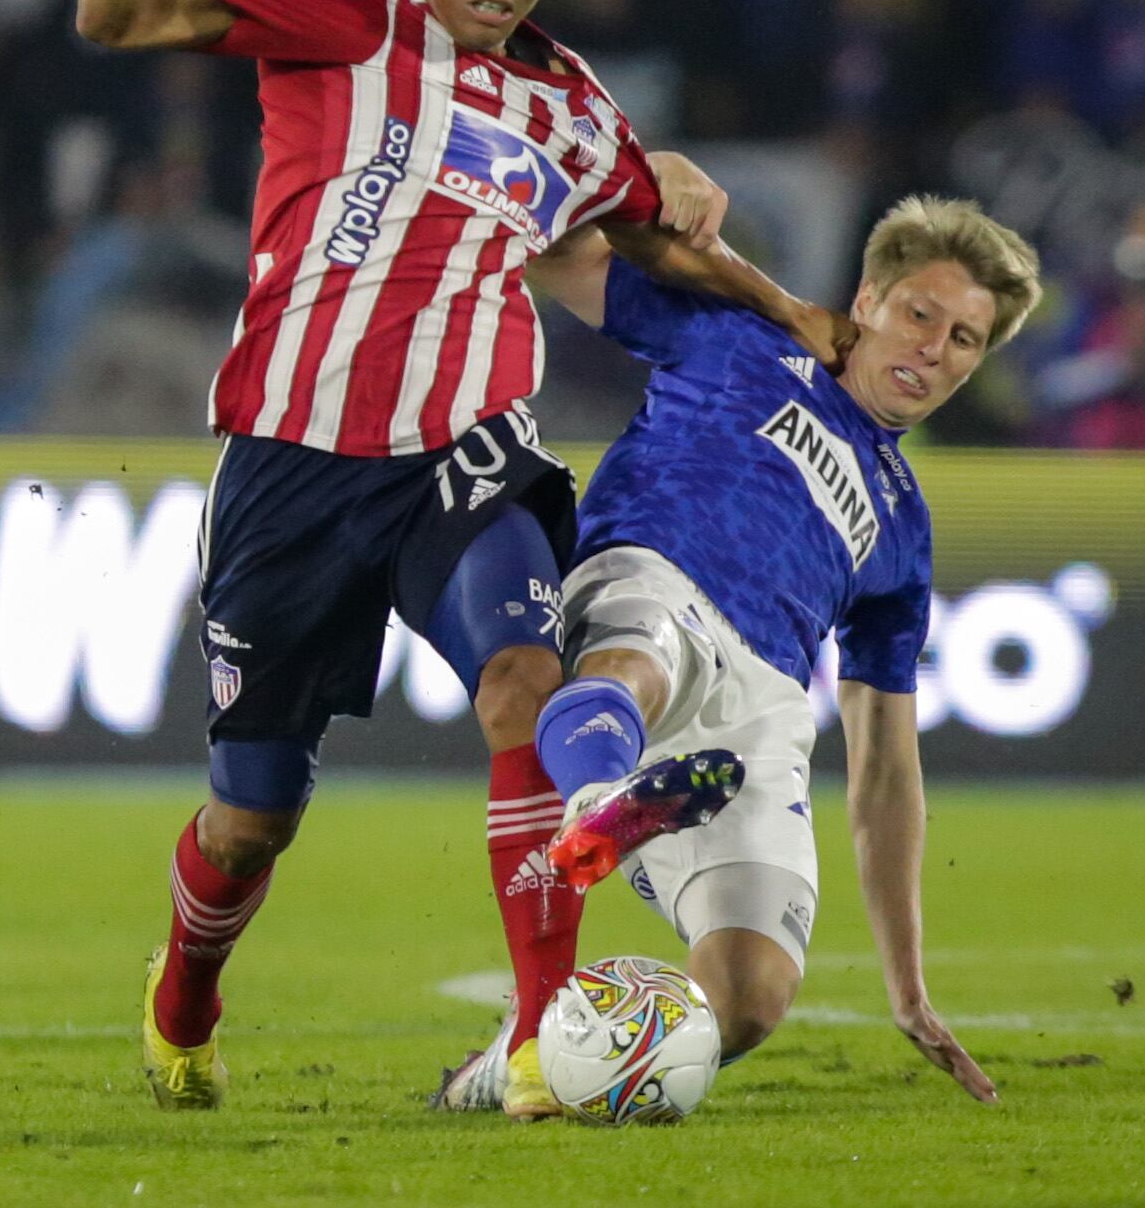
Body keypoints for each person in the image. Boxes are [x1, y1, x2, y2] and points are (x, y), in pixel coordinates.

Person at [75, 0, 852, 1113]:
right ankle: (184, 995)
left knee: (520, 685)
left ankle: (549, 1037)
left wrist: (788, 311)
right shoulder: (340, 4)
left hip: (466, 444)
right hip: (293, 458)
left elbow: (655, 230)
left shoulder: (571, 104)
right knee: (252, 815)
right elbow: (115, 15)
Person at [432, 196, 1040, 1113]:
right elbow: (554, 255)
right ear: (869, 296)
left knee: (750, 996)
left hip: (759, 710)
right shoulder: (741, 336)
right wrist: (633, 184)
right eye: (921, 314)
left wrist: (906, 984)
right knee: (635, 662)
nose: (933, 350)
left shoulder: (903, 527)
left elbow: (884, 767)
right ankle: (598, 806)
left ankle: (524, 1068)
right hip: (653, 572)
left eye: (964, 339)